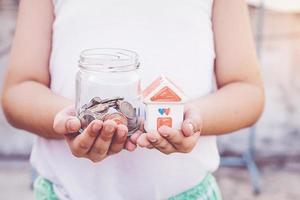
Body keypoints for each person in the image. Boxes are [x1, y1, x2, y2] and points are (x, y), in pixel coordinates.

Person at [1, 0, 265, 199]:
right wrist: (72, 121)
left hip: (187, 191)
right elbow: (19, 91)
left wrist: (189, 119)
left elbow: (247, 92)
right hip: (65, 193)